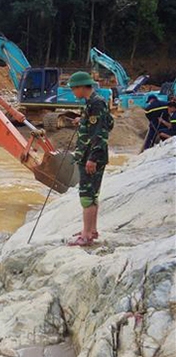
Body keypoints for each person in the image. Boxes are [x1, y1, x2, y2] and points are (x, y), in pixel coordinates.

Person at [67, 71, 114, 247]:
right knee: (93, 194)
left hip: (91, 156)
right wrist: (83, 120)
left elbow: (100, 133)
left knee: (87, 196)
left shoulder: (95, 104)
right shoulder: (94, 102)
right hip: (92, 155)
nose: (73, 92)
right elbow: (108, 123)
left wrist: (93, 158)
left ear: (81, 87)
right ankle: (91, 230)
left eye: (73, 89)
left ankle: (85, 236)